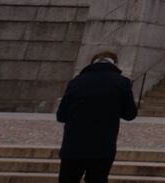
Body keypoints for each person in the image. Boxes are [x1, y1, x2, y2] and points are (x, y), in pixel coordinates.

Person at [56, 50, 137, 183]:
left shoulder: (76, 82)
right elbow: (130, 115)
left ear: (92, 63)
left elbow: (61, 116)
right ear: (115, 64)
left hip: (73, 146)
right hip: (103, 147)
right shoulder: (122, 83)